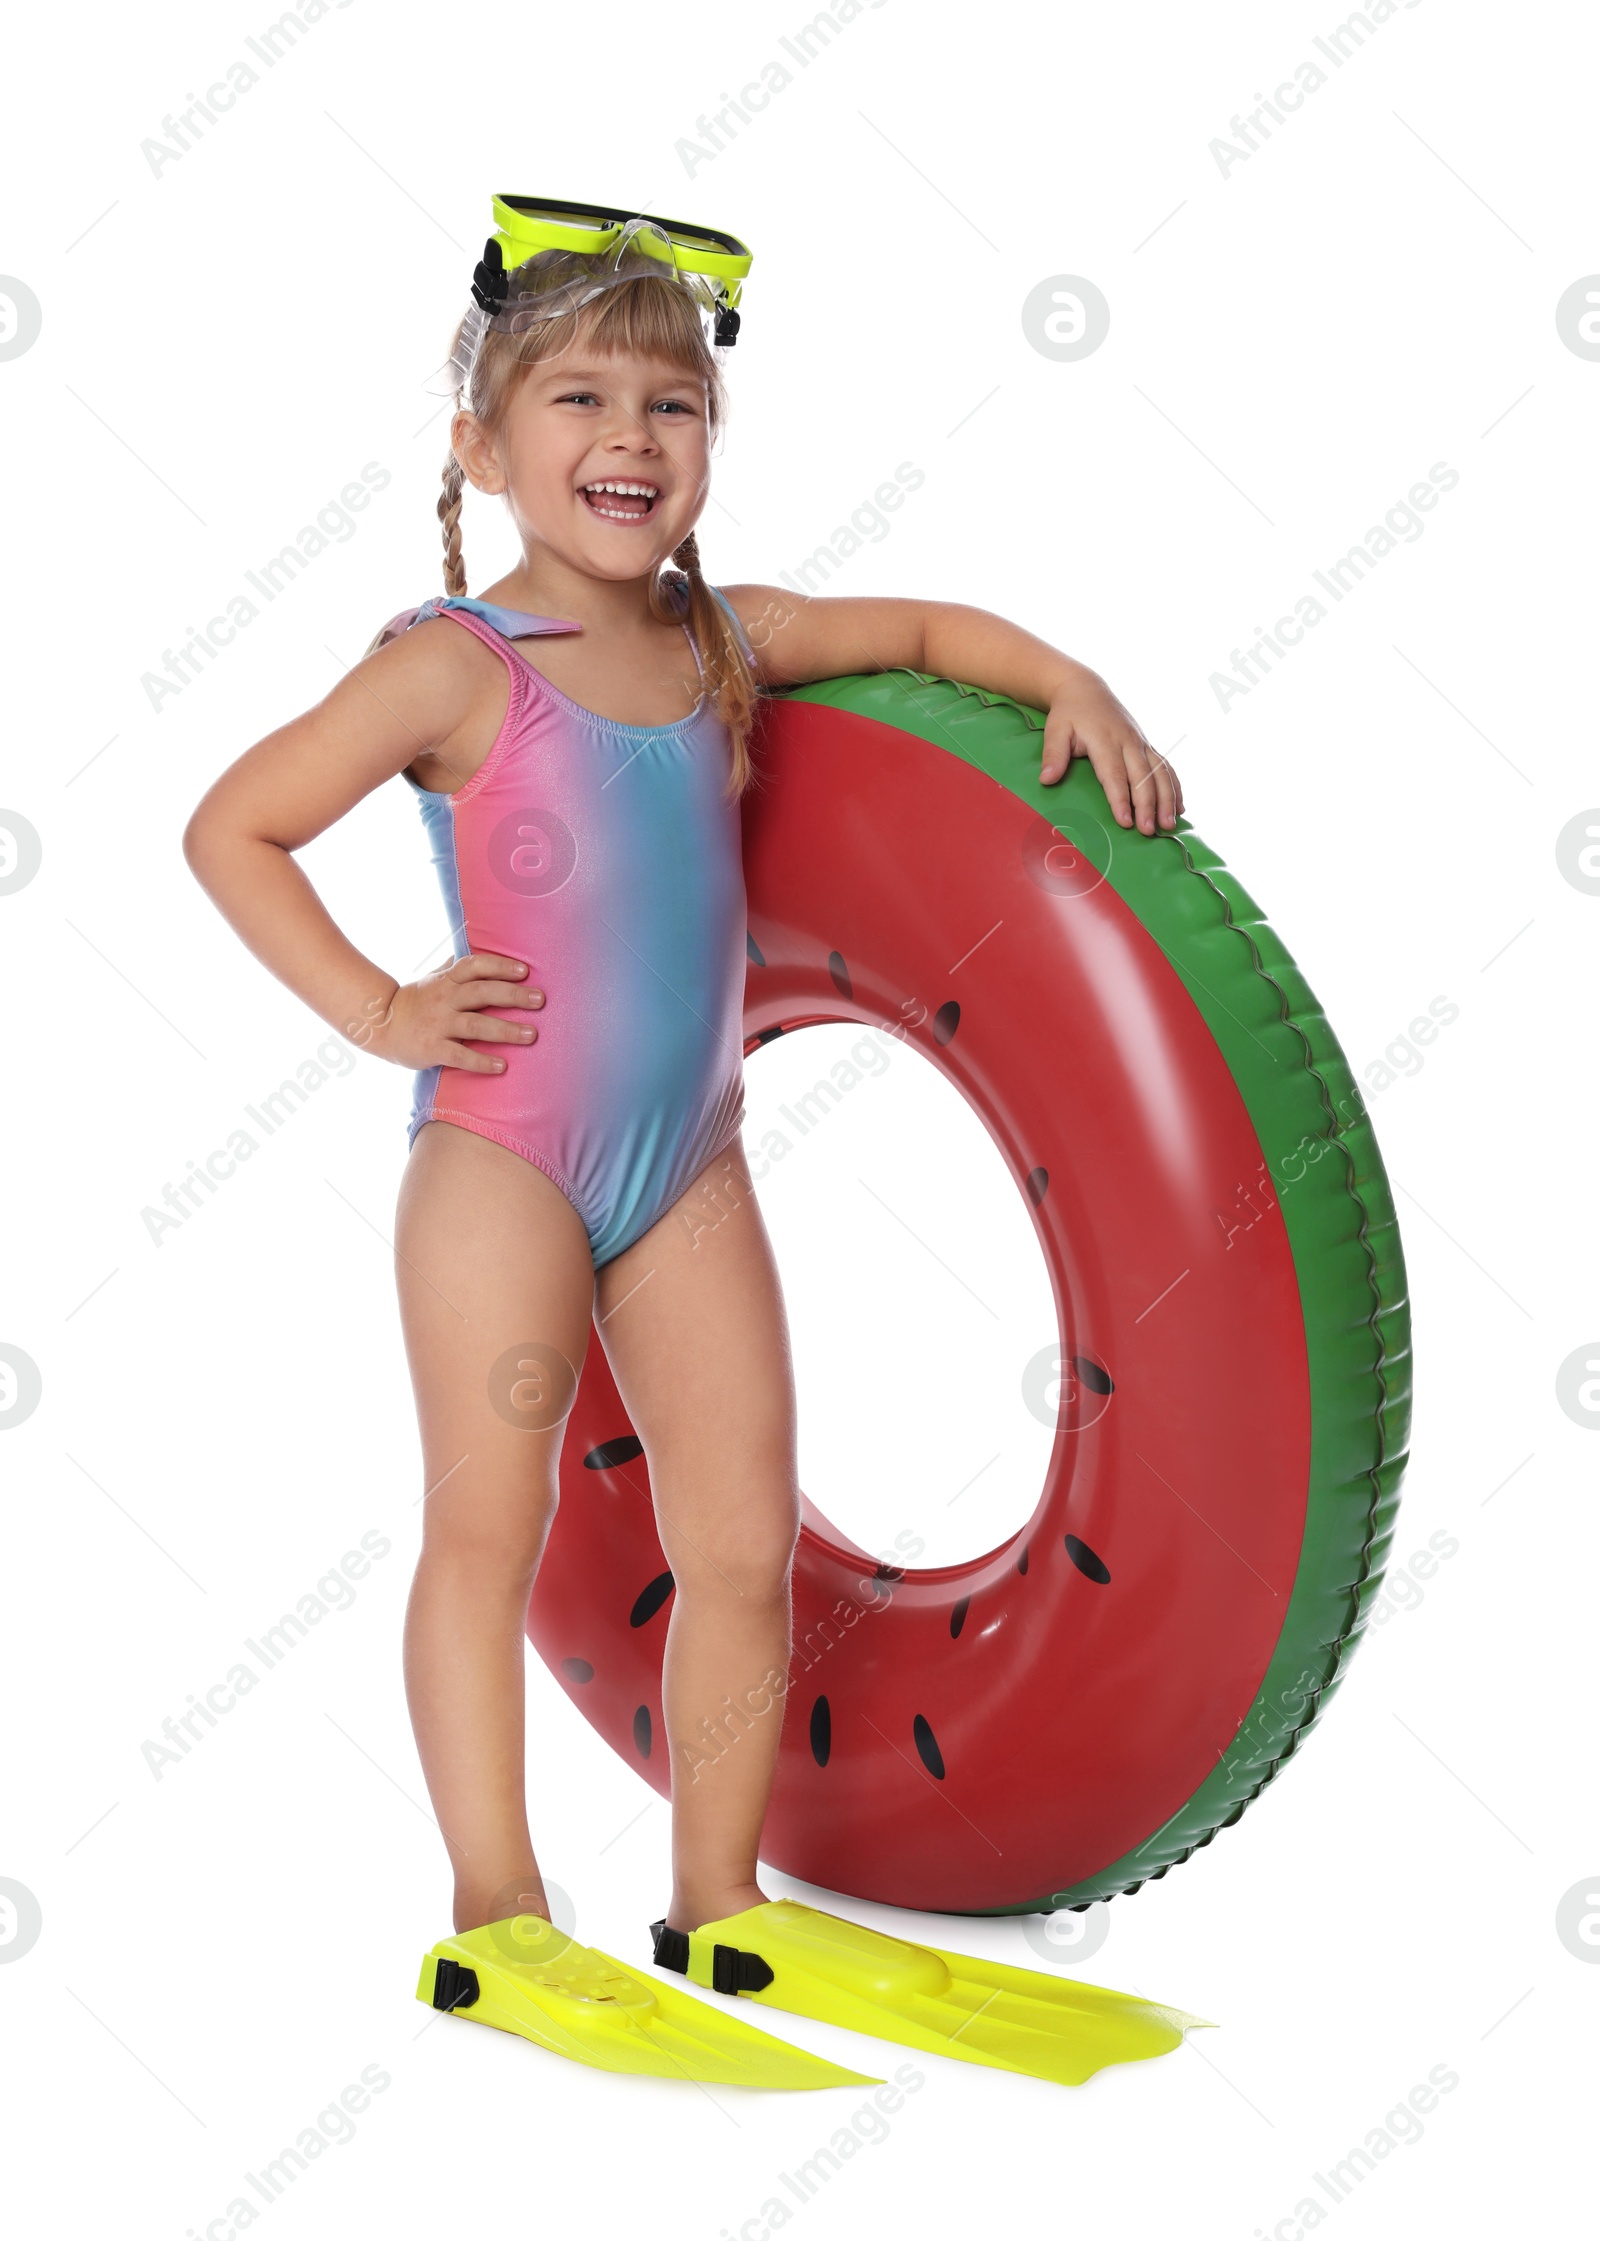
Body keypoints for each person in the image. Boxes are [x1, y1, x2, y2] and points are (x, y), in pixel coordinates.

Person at [182, 202, 1188, 2077]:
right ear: (483, 448)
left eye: (674, 399)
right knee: (490, 1523)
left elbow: (914, 625)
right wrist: (390, 1010)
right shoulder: (453, 666)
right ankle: (496, 1909)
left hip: (690, 1165)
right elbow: (232, 825)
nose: (632, 436)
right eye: (579, 396)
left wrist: (1070, 680)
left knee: (737, 1544)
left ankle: (717, 1903)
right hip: (503, 1155)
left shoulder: (728, 643)